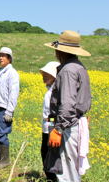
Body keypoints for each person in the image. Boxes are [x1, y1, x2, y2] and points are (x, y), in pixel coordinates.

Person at [44, 30, 91, 182]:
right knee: (68, 170)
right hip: (72, 124)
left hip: (67, 127)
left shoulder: (68, 70)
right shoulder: (77, 66)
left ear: (60, 51)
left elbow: (67, 103)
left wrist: (58, 129)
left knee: (67, 173)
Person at [0, 47, 20, 168]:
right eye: (0, 55)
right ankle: (2, 157)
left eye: (4, 56)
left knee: (2, 133)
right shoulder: (1, 72)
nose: (0, 58)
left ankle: (5, 161)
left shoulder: (12, 73)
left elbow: (13, 93)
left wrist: (9, 111)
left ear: (9, 58)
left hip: (4, 108)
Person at [39, 62, 60, 181]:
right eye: (43, 74)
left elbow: (57, 114)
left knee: (49, 155)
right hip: (47, 128)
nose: (43, 76)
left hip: (53, 129)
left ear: (54, 76)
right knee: (45, 153)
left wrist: (49, 119)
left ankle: (53, 178)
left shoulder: (55, 92)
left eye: (46, 74)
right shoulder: (50, 90)